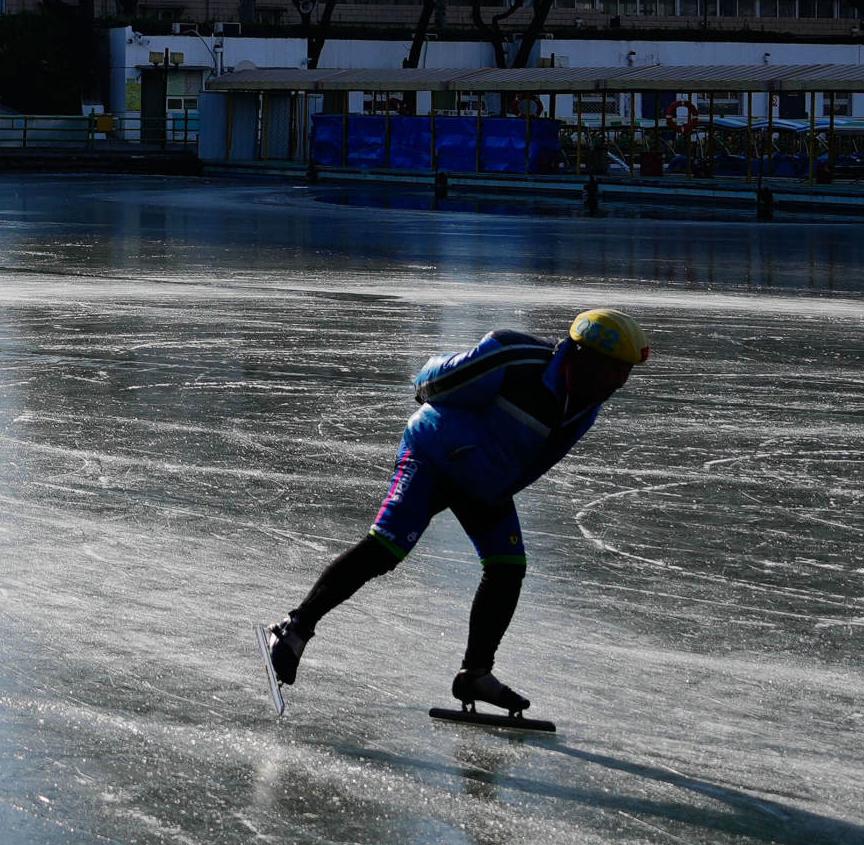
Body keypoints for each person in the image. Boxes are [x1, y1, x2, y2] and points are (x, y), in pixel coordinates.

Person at [265, 308, 651, 721]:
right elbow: (431, 380)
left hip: (485, 483)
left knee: (507, 567)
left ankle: (474, 674)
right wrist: (454, 439)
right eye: (615, 369)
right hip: (433, 456)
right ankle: (293, 631)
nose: (620, 382)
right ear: (584, 356)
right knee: (386, 548)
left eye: (625, 372)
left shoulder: (586, 403)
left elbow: (532, 459)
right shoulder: (514, 356)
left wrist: (494, 487)